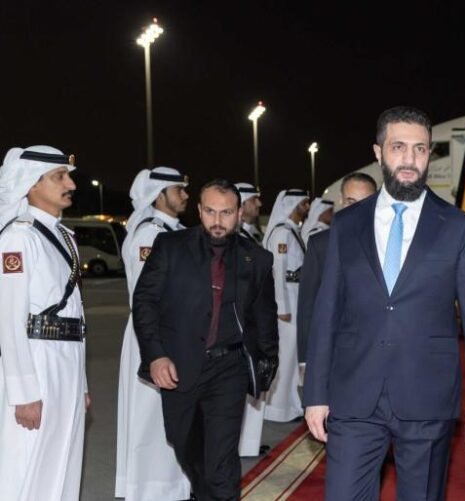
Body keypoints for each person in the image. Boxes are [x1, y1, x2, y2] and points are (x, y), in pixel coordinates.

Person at [303, 106, 465, 500]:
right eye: (398, 147)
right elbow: (326, 314)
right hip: (354, 395)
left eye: (420, 149)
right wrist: (315, 394)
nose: (409, 160)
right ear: (378, 152)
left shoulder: (459, 227)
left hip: (426, 399)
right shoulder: (346, 225)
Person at [132, 178, 279, 500]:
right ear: (199, 210)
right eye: (210, 211)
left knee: (221, 460)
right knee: (185, 445)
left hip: (229, 368)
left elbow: (264, 316)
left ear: (239, 213)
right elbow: (144, 303)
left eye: (226, 213)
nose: (217, 220)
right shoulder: (170, 246)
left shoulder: (257, 258)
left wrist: (266, 363)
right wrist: (156, 355)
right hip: (178, 366)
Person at [0, 146, 88, 501]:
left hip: (66, 362)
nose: (70, 184)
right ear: (30, 184)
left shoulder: (65, 237)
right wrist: (23, 393)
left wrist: (80, 382)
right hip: (36, 363)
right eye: (59, 177)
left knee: (63, 456)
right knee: (28, 460)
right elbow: (8, 320)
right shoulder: (17, 238)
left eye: (68, 176)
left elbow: (76, 315)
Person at [115, 167, 191, 500]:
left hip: (177, 333)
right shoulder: (149, 235)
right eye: (179, 190)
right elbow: (150, 294)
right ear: (159, 194)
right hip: (155, 336)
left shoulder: (175, 231)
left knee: (175, 416)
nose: (186, 195)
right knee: (150, 418)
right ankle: (151, 490)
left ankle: (175, 487)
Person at [296, 173, 377, 365]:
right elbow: (308, 306)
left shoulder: (390, 245)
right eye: (351, 201)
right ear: (341, 200)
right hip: (335, 355)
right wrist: (305, 361)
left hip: (378, 353)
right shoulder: (320, 245)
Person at [262, 189, 309, 422]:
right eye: (303, 203)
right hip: (287, 298)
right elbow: (278, 269)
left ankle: (289, 404)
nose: (306, 207)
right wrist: (282, 306)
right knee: (285, 355)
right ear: (293, 204)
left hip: (295, 294)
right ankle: (278, 408)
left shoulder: (291, 230)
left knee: (292, 356)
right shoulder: (282, 233)